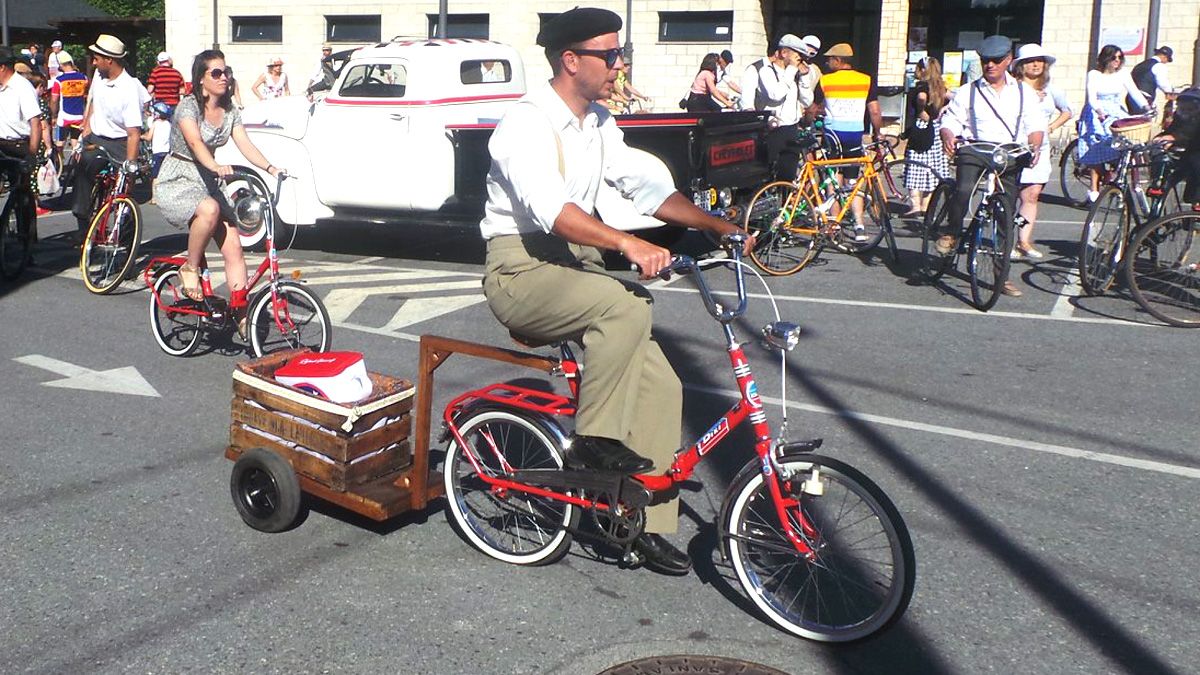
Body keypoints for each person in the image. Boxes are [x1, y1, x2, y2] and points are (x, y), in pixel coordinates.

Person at [480, 7, 751, 576]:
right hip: (520, 269)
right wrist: (627, 245)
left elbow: (648, 189)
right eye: (609, 54)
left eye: (619, 52)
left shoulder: (599, 122)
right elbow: (553, 212)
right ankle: (591, 443)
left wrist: (716, 225)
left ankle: (639, 524)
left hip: (572, 265)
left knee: (662, 384)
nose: (619, 63)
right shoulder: (526, 124)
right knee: (625, 302)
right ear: (570, 59)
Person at [155, 49, 284, 337]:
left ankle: (240, 311)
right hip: (181, 175)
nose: (223, 77)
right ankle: (190, 268)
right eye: (216, 72)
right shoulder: (187, 107)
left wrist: (272, 168)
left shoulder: (230, 111)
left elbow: (245, 144)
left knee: (234, 246)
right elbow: (195, 142)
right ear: (201, 79)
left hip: (210, 179)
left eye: (226, 71)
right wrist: (215, 165)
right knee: (210, 210)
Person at [938, 35, 1046, 298]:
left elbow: (1035, 125)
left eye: (997, 61)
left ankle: (1001, 276)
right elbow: (951, 120)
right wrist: (948, 135)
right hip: (975, 148)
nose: (990, 65)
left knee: (1005, 216)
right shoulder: (968, 91)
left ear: (1008, 60)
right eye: (986, 61)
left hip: (1009, 152)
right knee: (963, 189)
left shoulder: (1024, 92)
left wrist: (1034, 145)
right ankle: (952, 232)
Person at [71, 35, 144, 240]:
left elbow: (133, 133)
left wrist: (130, 168)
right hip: (97, 138)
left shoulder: (129, 88)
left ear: (109, 60)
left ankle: (126, 237)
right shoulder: (98, 76)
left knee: (123, 190)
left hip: (121, 142)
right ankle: (82, 220)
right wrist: (85, 130)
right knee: (82, 163)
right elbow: (93, 101)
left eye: (97, 58)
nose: (93, 62)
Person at [811, 43, 884, 242]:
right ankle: (859, 225)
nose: (827, 62)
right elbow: (875, 111)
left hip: (832, 135)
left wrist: (808, 119)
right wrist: (878, 134)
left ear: (839, 60)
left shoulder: (825, 81)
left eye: (829, 59)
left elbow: (814, 108)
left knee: (832, 178)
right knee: (854, 180)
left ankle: (834, 223)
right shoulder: (865, 80)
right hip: (854, 135)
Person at [1011, 44, 1071, 260]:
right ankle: (1007, 236)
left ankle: (1023, 240)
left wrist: (1051, 128)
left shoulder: (1051, 88)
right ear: (1020, 65)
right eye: (1029, 61)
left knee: (1032, 196)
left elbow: (1067, 111)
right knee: (1010, 196)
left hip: (1040, 149)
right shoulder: (1012, 87)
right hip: (1015, 147)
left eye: (1039, 60)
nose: (1035, 64)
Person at [1076, 44, 1148, 202]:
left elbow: (1134, 92)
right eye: (1113, 57)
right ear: (1105, 58)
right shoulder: (1094, 75)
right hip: (1097, 112)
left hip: (1116, 110)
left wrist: (1146, 107)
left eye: (1120, 57)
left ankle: (1116, 177)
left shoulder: (1122, 74)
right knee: (1096, 146)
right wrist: (1100, 111)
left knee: (1124, 143)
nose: (1117, 61)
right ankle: (1094, 189)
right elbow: (1092, 98)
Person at [740, 34, 804, 180]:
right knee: (765, 175)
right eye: (797, 55)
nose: (798, 59)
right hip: (770, 128)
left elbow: (806, 100)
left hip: (791, 127)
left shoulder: (791, 73)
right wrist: (792, 71)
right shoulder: (760, 69)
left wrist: (804, 77)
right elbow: (775, 94)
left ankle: (786, 201)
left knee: (788, 175)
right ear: (783, 53)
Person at [0, 47, 44, 230]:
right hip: (0, 143)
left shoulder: (22, 87)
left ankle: (27, 241)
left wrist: (32, 155)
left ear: (2, 67)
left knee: (23, 194)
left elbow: (35, 122)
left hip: (18, 145)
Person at [901, 56, 951, 218]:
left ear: (923, 70)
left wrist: (921, 109)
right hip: (936, 130)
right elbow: (955, 98)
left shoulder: (922, 85)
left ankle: (915, 205)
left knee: (916, 166)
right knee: (933, 167)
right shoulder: (941, 87)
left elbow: (921, 97)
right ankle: (926, 205)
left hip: (921, 129)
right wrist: (942, 109)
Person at [16, 63, 54, 215]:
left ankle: (24, 204)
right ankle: (35, 205)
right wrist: (49, 146)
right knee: (34, 174)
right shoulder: (41, 104)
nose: (44, 90)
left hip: (22, 140)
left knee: (24, 176)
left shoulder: (18, 97)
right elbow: (43, 127)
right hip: (36, 142)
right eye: (42, 87)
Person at [50, 52, 88, 159]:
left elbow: (54, 100)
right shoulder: (84, 78)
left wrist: (53, 116)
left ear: (61, 65)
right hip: (79, 115)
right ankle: (76, 166)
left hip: (64, 116)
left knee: (60, 142)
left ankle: (59, 163)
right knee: (76, 143)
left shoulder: (59, 81)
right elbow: (86, 95)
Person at [1127, 45, 1174, 113]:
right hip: (1144, 98)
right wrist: (1170, 92)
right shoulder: (1159, 66)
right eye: (1167, 59)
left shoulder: (1139, 65)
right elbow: (1163, 83)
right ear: (1164, 57)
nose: (1166, 62)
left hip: (1130, 97)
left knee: (1133, 121)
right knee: (1143, 121)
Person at [795, 36, 822, 113]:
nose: (810, 51)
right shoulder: (792, 65)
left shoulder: (815, 69)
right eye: (808, 46)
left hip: (808, 110)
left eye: (814, 49)